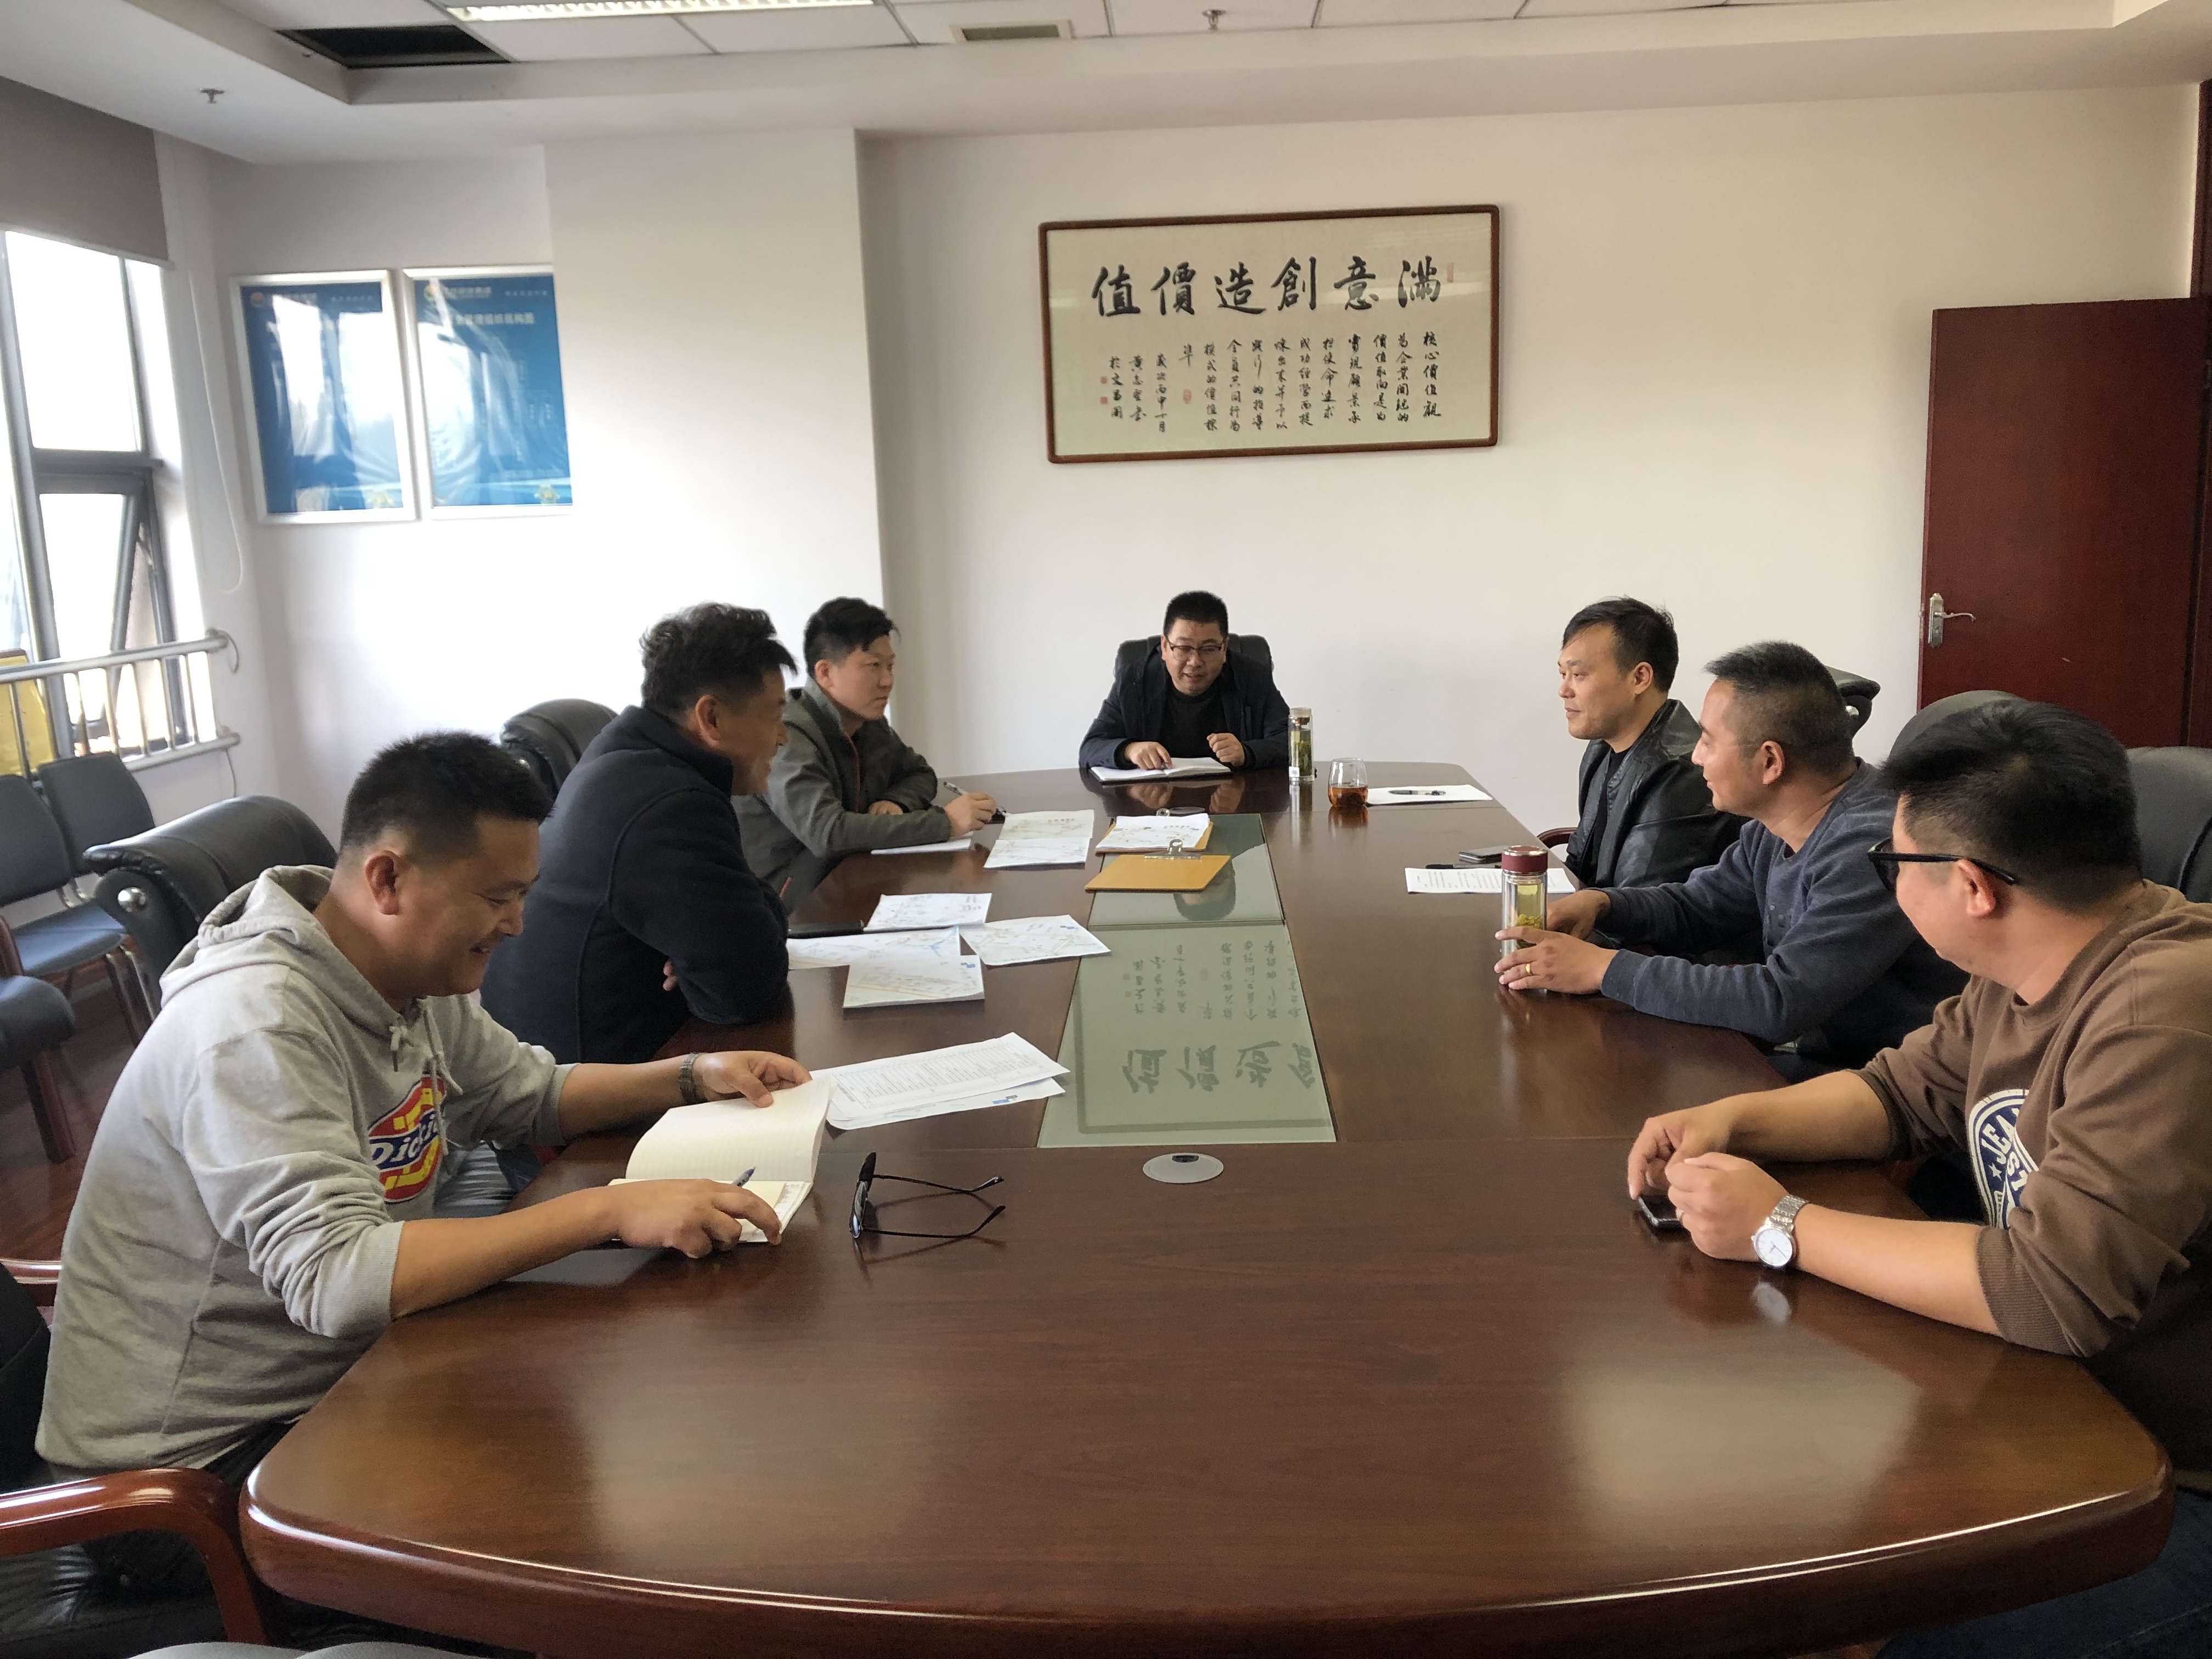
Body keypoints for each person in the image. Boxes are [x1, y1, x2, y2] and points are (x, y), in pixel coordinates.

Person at [38, 732, 806, 1616]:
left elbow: (525, 1093)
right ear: (388, 880)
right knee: (576, 1529)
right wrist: (606, 1211)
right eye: (497, 897)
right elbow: (335, 1278)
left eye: (523, 894)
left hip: (334, 1390)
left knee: (620, 1423)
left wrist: (691, 1076)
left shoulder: (402, 975)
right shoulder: (253, 1024)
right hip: (190, 1483)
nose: (517, 924)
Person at [1629, 701, 2212, 1658]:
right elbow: (1896, 1095)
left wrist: (1780, 1223)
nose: (1889, 883)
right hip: (2053, 1401)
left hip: (2165, 1475)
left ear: (1972, 886)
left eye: (1892, 864)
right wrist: (1732, 1118)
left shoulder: (2163, 1012)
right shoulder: (2030, 959)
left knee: (1866, 1630)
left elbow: (2050, 1291)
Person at [1498, 641, 1962, 1074]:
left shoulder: (1870, 847)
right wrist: (1602, 904)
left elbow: (1780, 1000)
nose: (1696, 757)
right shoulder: (1775, 824)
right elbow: (1698, 906)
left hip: (1879, 1086)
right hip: (1819, 1057)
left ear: (1770, 762)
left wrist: (1602, 969)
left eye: (1708, 740)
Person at [482, 603, 791, 1063]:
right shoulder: (672, 804)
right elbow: (747, 991)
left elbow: (742, 933)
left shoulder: (623, 757)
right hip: (582, 1094)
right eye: (775, 716)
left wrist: (734, 929)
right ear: (711, 718)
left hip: (560, 1060)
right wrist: (739, 930)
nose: (783, 737)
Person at [738, 597, 997, 907]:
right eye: (874, 666)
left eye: (890, 666)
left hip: (853, 882)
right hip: (792, 907)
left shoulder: (866, 723)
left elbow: (919, 774)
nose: (888, 681)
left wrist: (897, 801)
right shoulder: (789, 735)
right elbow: (828, 833)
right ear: (825, 673)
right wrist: (947, 824)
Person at [1555, 597, 1739, 889]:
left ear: (1640, 678)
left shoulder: (1681, 774)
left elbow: (1637, 905)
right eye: (1563, 674)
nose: (1564, 690)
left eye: (1578, 675)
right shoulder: (1602, 748)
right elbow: (1580, 861)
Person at [1079, 590, 1289, 772]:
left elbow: (1291, 742)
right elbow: (1090, 748)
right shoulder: (1135, 681)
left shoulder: (1251, 677)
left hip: (1233, 799)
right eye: (1183, 648)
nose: (1195, 662)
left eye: (1208, 649)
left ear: (1224, 648)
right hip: (1156, 801)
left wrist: (1247, 752)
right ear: (1164, 647)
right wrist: (1129, 750)